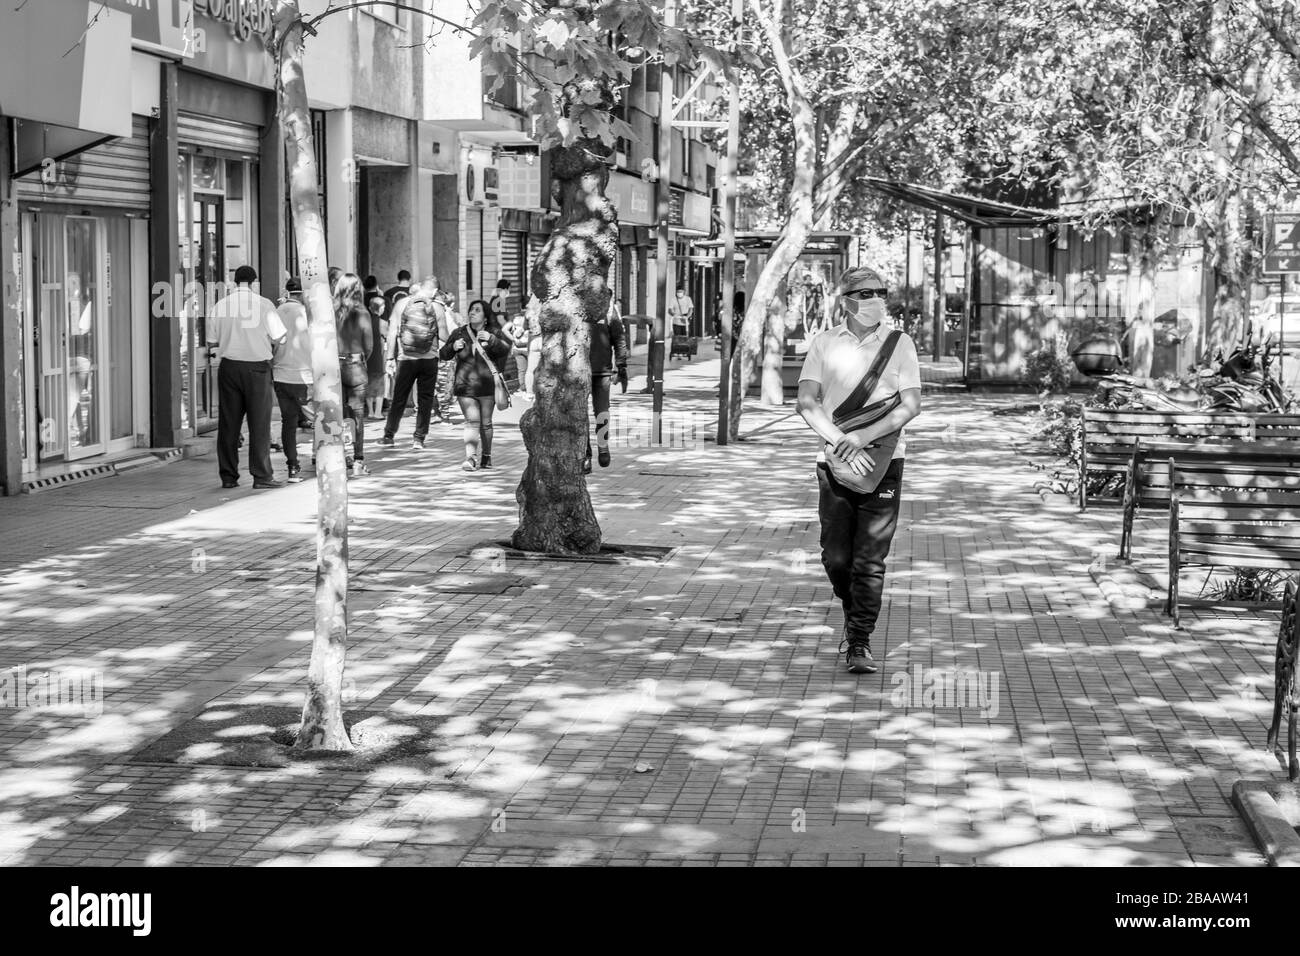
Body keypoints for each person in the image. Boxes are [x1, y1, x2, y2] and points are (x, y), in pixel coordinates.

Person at [796, 265, 922, 675]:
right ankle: (854, 610)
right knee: (835, 557)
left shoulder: (900, 344)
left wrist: (863, 437)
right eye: (865, 293)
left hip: (884, 461)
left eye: (880, 292)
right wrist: (839, 440)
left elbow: (910, 405)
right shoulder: (825, 343)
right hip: (833, 461)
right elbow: (807, 403)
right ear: (847, 300)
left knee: (870, 560)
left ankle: (859, 641)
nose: (875, 299)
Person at [207, 265, 287, 489]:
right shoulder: (264, 304)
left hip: (229, 367)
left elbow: (212, 342)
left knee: (229, 424)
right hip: (257, 369)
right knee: (259, 424)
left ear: (234, 282)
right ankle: (261, 476)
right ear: (253, 282)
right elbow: (280, 337)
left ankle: (228, 477)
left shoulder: (220, 306)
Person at [440, 299, 508, 471]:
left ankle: (487, 457)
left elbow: (506, 350)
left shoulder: (493, 332)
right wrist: (453, 347)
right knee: (472, 421)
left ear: (485, 317)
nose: (472, 312)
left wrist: (492, 340)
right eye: (471, 309)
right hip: (465, 386)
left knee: (486, 423)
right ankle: (470, 458)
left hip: (487, 386)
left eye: (477, 310)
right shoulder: (459, 333)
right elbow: (443, 354)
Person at [380, 277, 447, 449]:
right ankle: (419, 438)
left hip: (406, 358)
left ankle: (389, 435)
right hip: (429, 359)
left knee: (399, 398)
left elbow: (392, 332)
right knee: (425, 400)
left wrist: (389, 358)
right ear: (433, 291)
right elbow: (444, 336)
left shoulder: (401, 304)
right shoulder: (437, 307)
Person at [272, 277, 313, 483]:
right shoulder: (308, 313)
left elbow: (271, 342)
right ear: (303, 293)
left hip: (280, 374)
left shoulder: (277, 312)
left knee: (288, 422)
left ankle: (293, 467)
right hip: (304, 374)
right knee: (318, 418)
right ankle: (321, 456)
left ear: (287, 292)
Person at [334, 273, 374, 477]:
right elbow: (369, 346)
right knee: (357, 415)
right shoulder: (362, 312)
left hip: (334, 365)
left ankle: (338, 455)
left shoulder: (332, 311)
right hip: (355, 364)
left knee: (336, 414)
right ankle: (358, 461)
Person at [585, 299, 630, 472]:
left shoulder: (610, 312)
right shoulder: (577, 307)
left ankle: (603, 447)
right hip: (580, 372)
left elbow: (619, 339)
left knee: (602, 412)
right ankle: (585, 455)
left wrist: (621, 366)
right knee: (580, 415)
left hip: (602, 371)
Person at [365, 290, 388, 419]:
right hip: (379, 357)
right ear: (381, 308)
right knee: (379, 385)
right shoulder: (383, 323)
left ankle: (370, 411)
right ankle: (378, 412)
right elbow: (388, 338)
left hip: (368, 357)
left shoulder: (366, 321)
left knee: (368, 384)